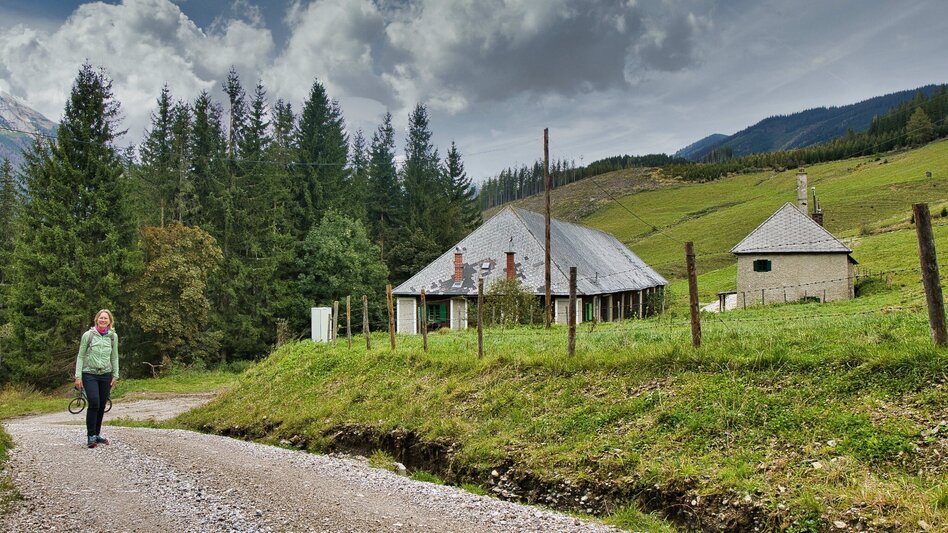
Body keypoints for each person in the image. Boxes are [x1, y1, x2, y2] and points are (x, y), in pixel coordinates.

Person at [74, 309, 120, 448]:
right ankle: (90, 436)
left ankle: (97, 434)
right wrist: (78, 376)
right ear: (96, 320)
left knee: (101, 404)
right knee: (94, 402)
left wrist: (115, 374)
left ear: (110, 321)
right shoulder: (88, 335)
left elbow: (114, 356)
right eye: (101, 318)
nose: (103, 320)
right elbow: (81, 356)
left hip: (106, 374)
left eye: (106, 318)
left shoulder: (113, 337)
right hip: (89, 373)